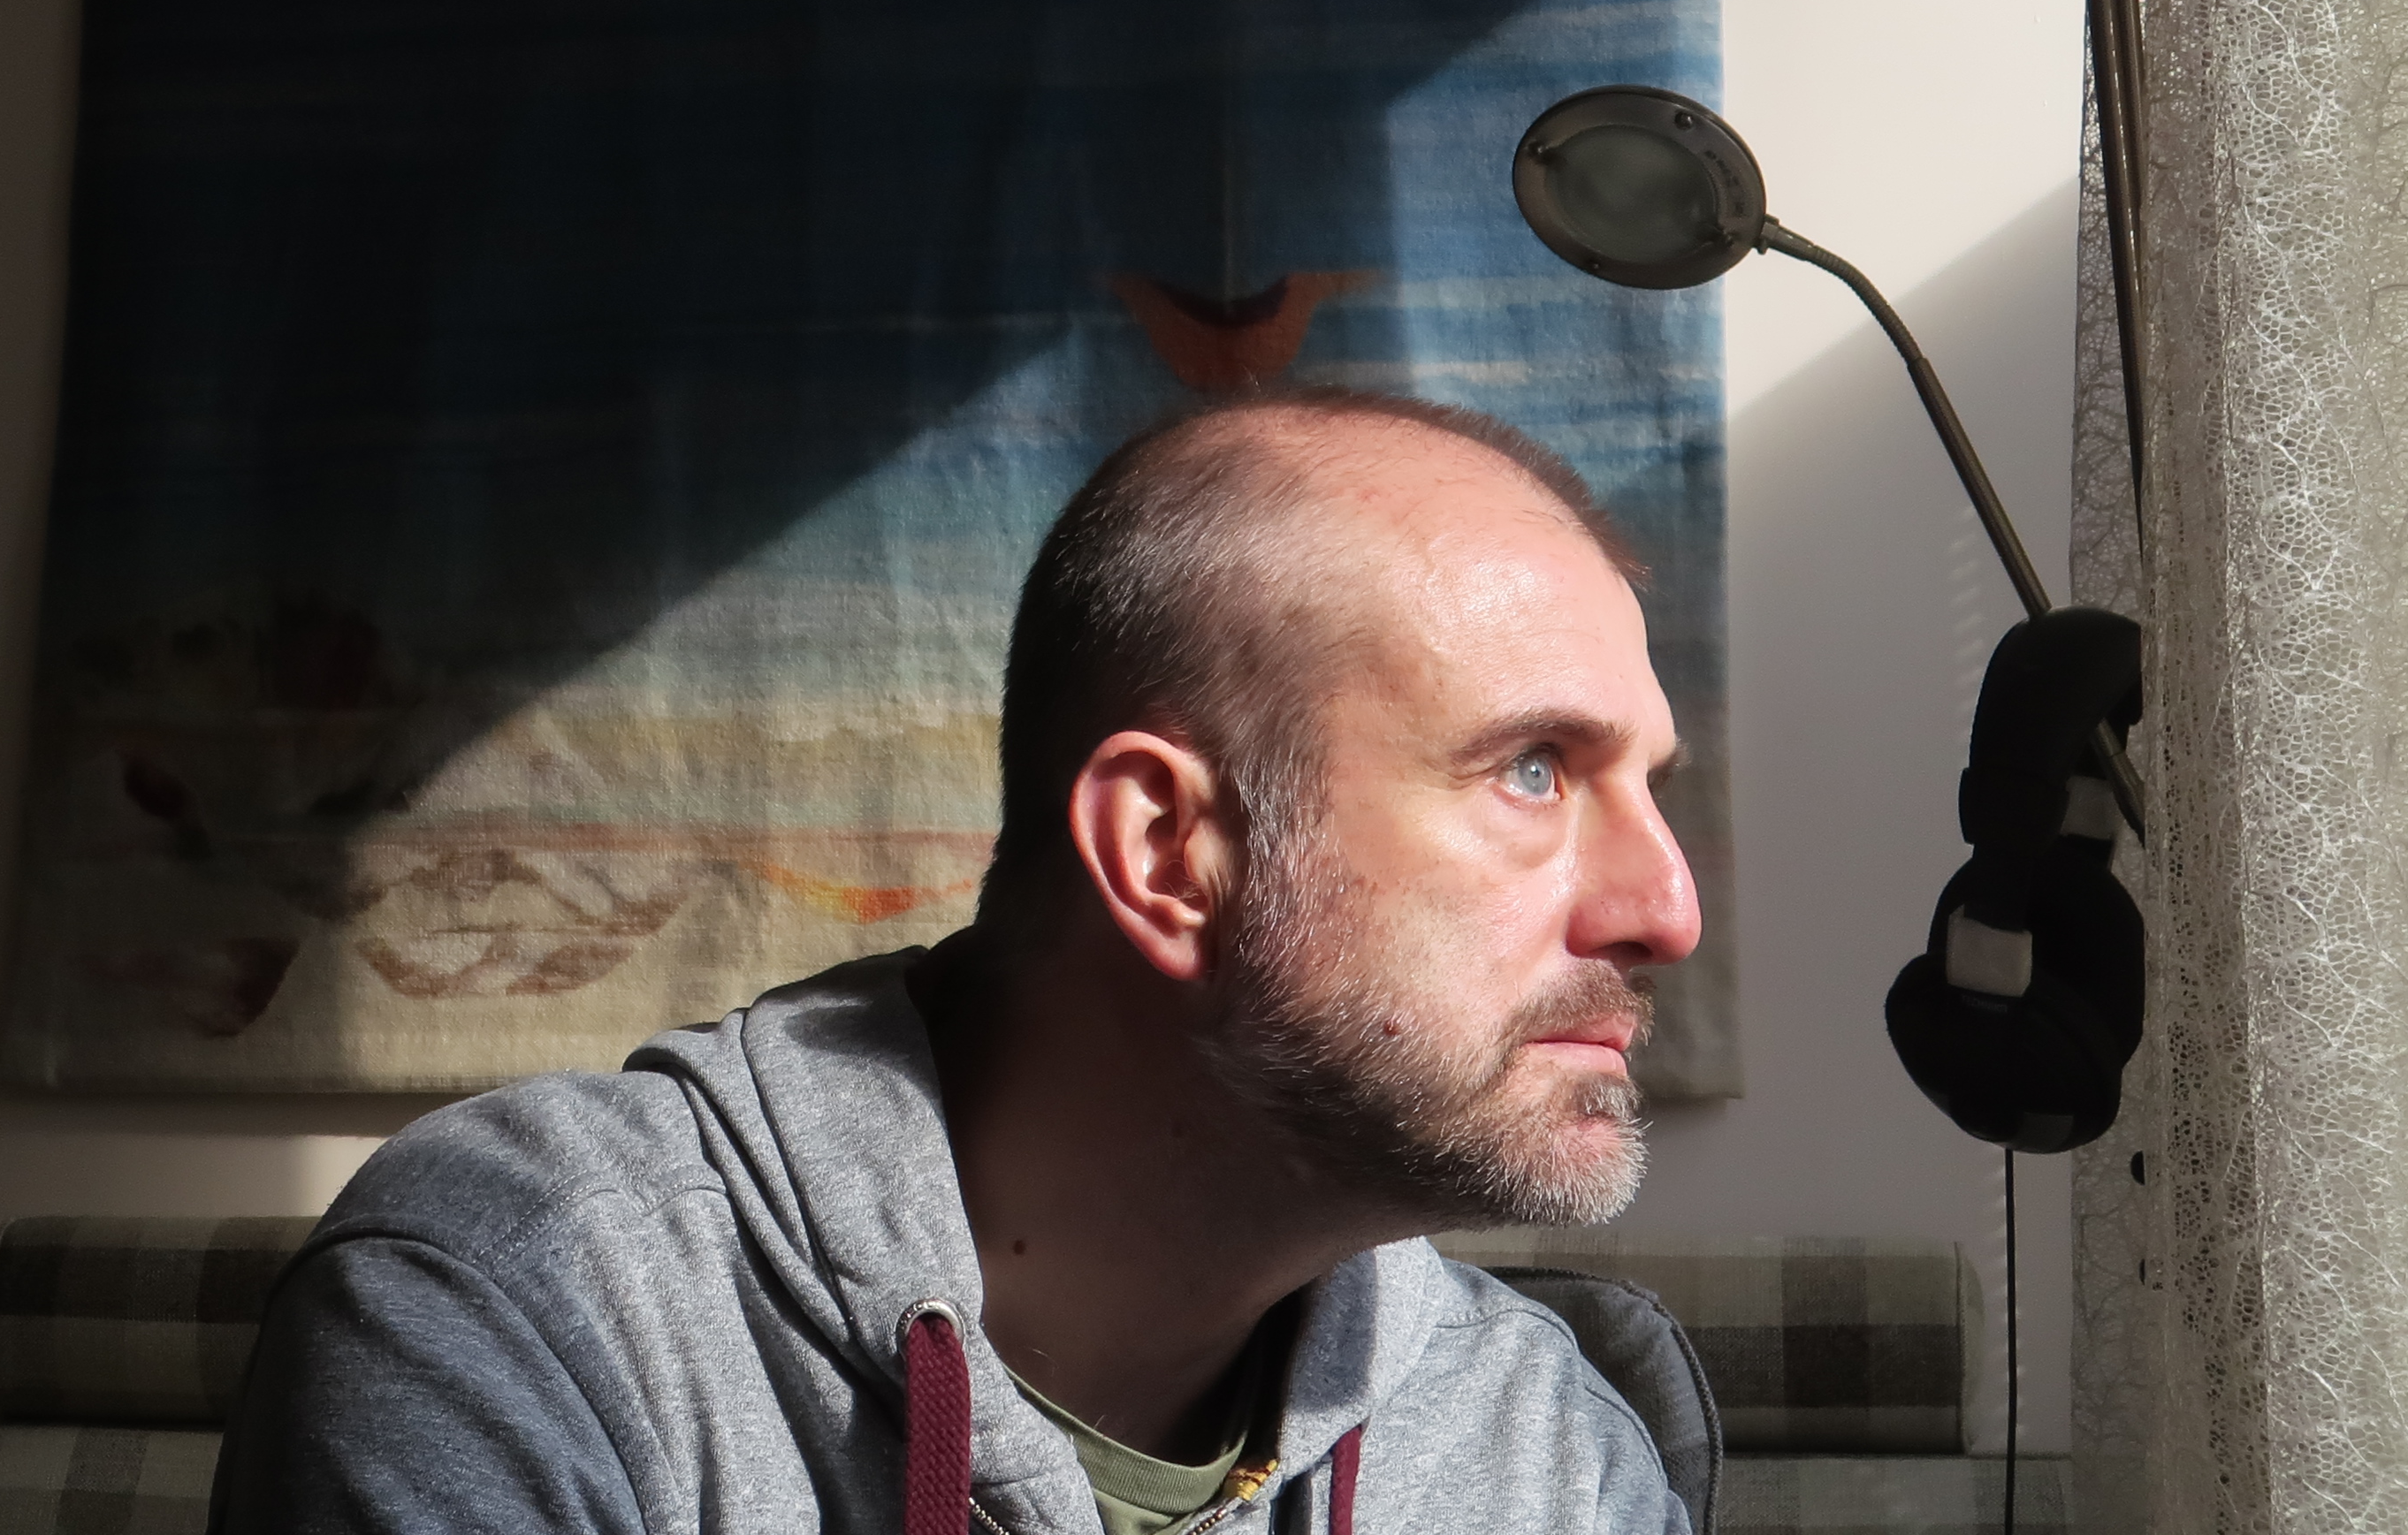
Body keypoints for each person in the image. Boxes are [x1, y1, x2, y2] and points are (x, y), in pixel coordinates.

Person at [210, 388, 1705, 1533]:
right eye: (1533, 771)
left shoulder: (1540, 1450)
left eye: (1652, 787)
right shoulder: (535, 1306)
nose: (1667, 909)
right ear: (1169, 852)